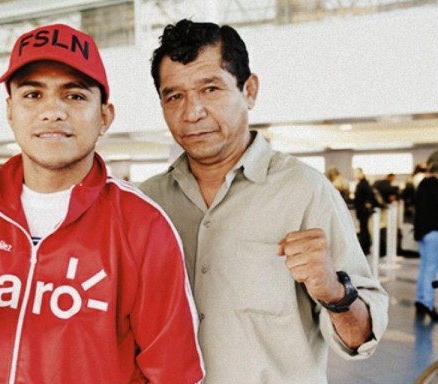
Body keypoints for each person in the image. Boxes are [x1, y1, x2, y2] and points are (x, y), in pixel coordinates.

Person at [0, 24, 204, 384]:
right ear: (10, 111)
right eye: (33, 95)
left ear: (104, 116)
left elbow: (175, 371)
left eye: (75, 96)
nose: (53, 111)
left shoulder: (142, 225)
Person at [139, 19, 388, 383]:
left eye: (210, 89)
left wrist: (335, 291)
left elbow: (360, 339)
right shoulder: (148, 203)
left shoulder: (306, 192)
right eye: (174, 96)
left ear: (249, 90)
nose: (191, 112)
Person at [414, 152, 438, 320]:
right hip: (434, 231)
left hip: (423, 232)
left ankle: (420, 300)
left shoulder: (422, 183)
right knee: (431, 269)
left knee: (424, 267)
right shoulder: (435, 185)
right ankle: (429, 303)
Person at [353, 167, 382, 255]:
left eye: (357, 173)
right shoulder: (363, 184)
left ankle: (365, 248)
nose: (355, 175)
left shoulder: (363, 184)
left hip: (363, 211)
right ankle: (365, 247)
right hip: (362, 210)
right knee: (364, 229)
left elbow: (368, 196)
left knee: (364, 229)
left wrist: (367, 204)